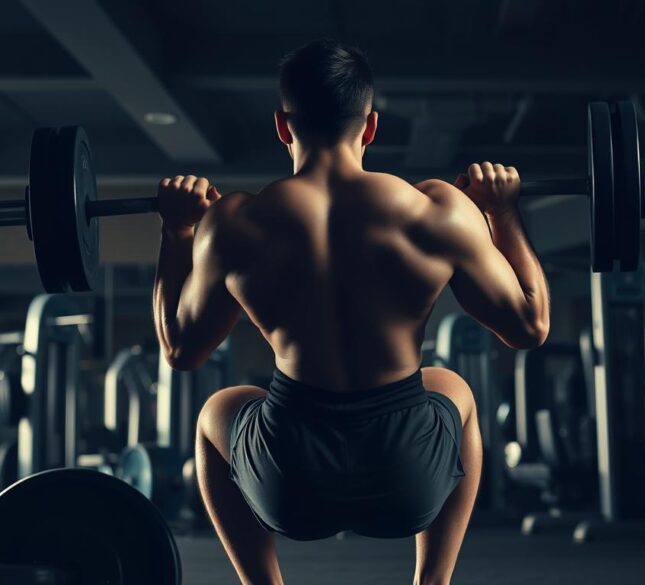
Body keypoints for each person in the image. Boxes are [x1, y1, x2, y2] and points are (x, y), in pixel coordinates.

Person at [153, 39, 549, 585]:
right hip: (406, 478)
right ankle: (432, 581)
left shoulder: (235, 222)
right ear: (369, 127)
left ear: (282, 126)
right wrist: (503, 213)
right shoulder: (436, 209)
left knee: (217, 412)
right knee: (452, 388)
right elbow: (530, 325)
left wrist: (176, 234)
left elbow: (180, 349)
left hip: (290, 484)